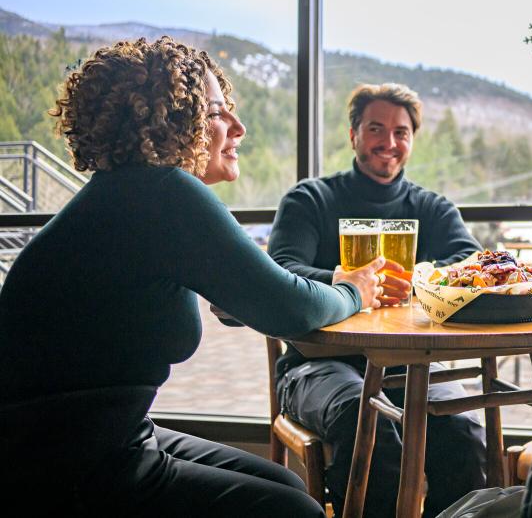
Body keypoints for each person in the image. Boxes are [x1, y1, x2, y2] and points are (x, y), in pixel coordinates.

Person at [0, 37, 390, 517]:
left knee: (284, 481)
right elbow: (292, 307)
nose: (238, 126)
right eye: (216, 113)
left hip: (94, 434)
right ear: (170, 122)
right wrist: (353, 290)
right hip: (61, 461)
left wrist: (242, 291)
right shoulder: (164, 192)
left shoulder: (131, 193)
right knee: (295, 509)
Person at [267, 83, 487, 517]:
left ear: (412, 140)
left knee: (462, 434)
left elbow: (471, 262)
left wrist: (420, 279)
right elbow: (281, 270)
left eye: (401, 132)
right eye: (376, 129)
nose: (389, 142)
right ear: (353, 135)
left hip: (411, 362)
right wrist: (342, 279)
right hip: (316, 364)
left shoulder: (431, 207)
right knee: (371, 425)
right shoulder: (310, 199)